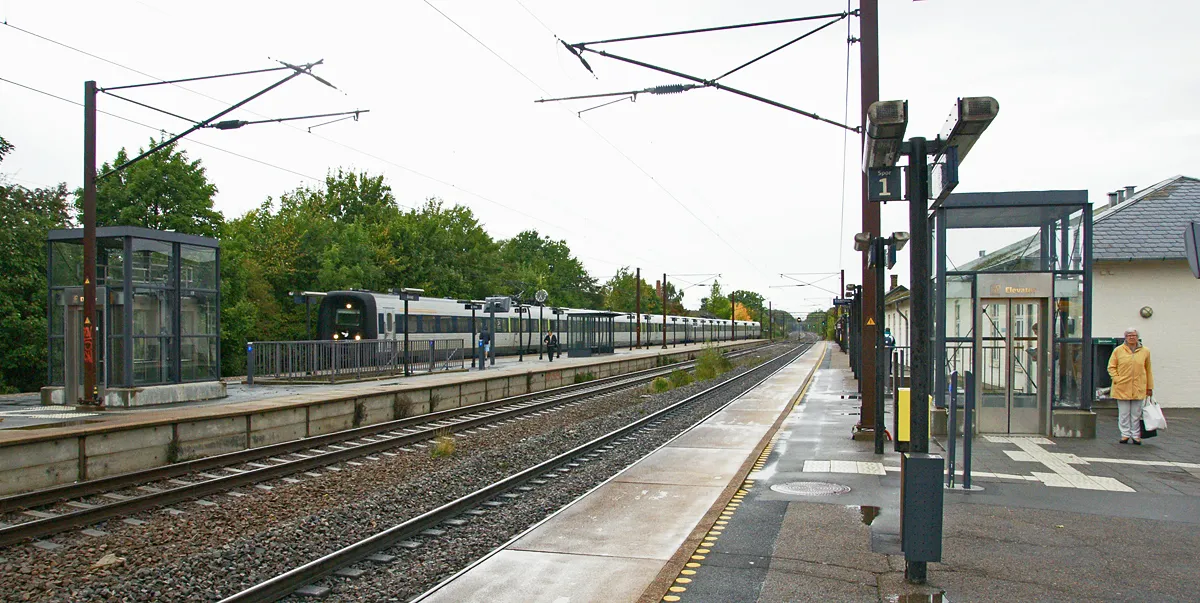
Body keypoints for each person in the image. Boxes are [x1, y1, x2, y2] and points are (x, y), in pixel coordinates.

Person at [1107, 327, 1153, 445]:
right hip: (1122, 386)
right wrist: (1117, 378)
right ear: (1125, 337)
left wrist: (1149, 387)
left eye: (1134, 335)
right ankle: (1125, 434)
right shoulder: (1118, 350)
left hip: (1138, 386)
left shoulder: (1145, 351)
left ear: (1137, 337)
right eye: (1129, 335)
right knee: (1124, 413)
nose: (1131, 337)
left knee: (1136, 413)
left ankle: (1136, 435)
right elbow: (1111, 366)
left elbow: (1148, 369)